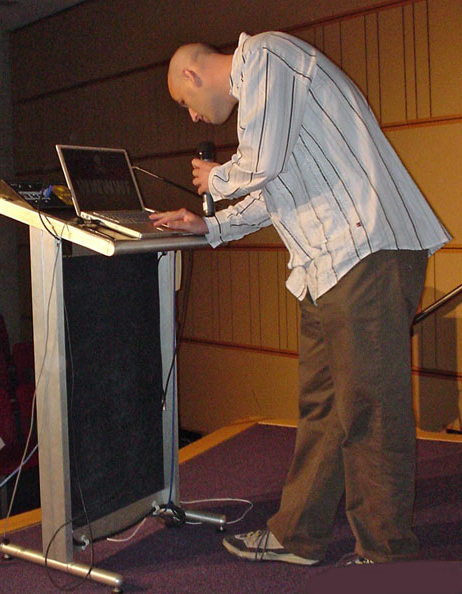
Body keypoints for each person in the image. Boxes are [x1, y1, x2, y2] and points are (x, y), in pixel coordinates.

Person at [150, 31, 451, 566]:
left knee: (370, 411)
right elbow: (274, 190)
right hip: (326, 265)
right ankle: (299, 535)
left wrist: (217, 180)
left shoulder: (267, 55)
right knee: (324, 408)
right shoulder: (264, 99)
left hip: (365, 250)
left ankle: (386, 557)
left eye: (184, 103)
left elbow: (260, 164)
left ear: (191, 76)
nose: (192, 118)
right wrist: (210, 226)